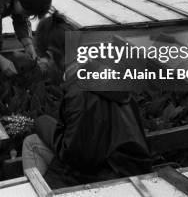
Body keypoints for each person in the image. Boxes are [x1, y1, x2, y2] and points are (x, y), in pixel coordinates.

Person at [22, 11, 152, 188]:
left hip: (112, 180)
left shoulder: (80, 93)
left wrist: (42, 122)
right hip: (129, 168)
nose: (41, 65)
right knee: (32, 142)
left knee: (33, 142)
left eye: (41, 58)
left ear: (52, 55)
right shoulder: (101, 72)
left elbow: (75, 158)